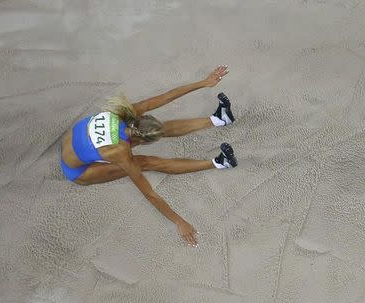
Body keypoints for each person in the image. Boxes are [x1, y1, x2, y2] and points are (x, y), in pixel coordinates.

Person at [60, 65, 237, 247]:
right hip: (79, 171)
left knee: (158, 129)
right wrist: (179, 221)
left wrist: (204, 83)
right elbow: (149, 193)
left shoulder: (126, 114)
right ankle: (220, 163)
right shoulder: (119, 151)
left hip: (74, 142)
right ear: (137, 139)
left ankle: (219, 119)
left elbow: (166, 97)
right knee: (145, 162)